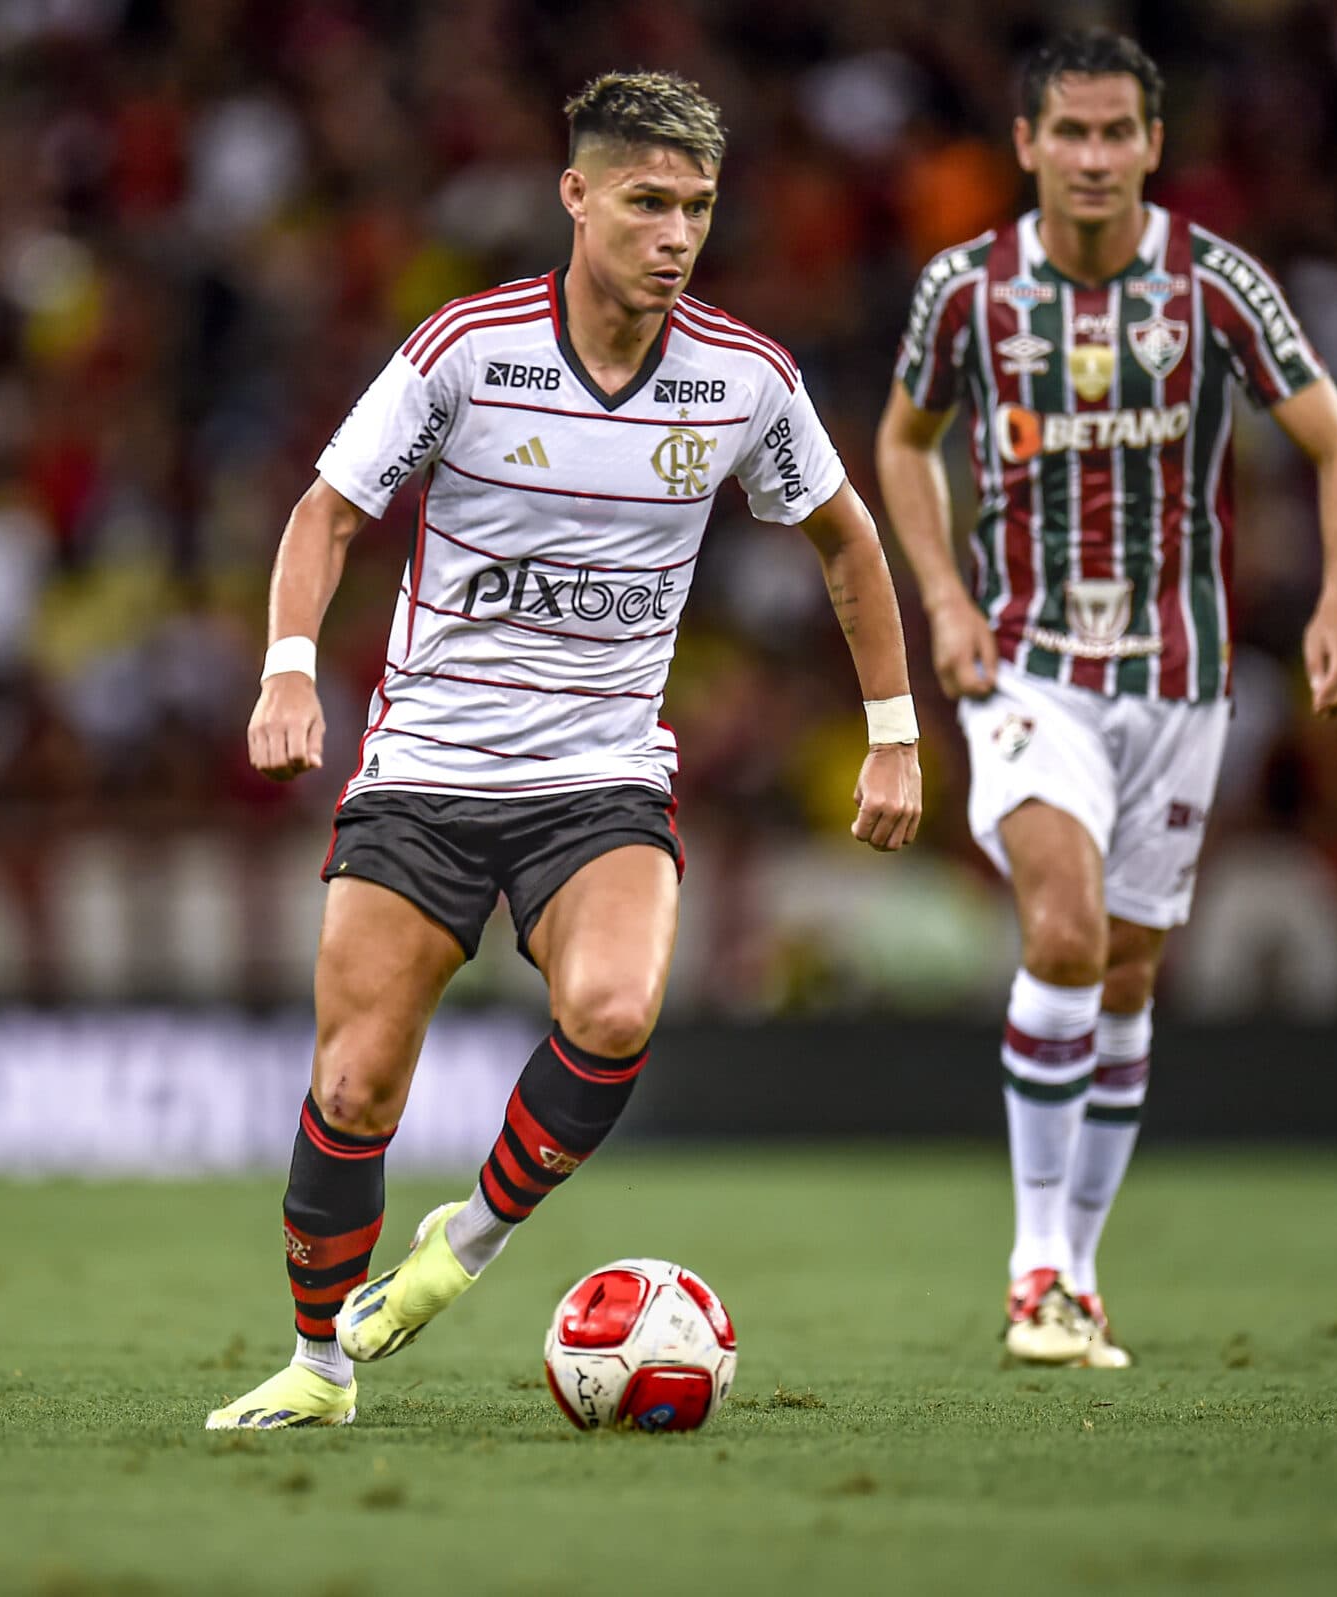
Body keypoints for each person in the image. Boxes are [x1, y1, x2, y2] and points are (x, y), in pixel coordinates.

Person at [208, 69, 923, 1429]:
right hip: (426, 764)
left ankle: (460, 1247)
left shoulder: (744, 380)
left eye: (697, 209)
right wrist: (287, 673)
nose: (674, 234)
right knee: (355, 1081)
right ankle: (319, 1364)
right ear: (576, 196)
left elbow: (846, 538)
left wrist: (892, 734)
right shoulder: (466, 352)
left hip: (598, 778)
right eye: (647, 202)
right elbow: (324, 512)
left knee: (610, 1011)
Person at [876, 29, 1337, 1367]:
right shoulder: (965, 292)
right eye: (1070, 133)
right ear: (1027, 143)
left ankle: (1080, 1275)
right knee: (1065, 929)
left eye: (1118, 134)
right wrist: (942, 598)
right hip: (1025, 664)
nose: (1094, 157)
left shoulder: (1215, 287)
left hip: (1180, 680)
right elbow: (905, 440)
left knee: (1133, 972)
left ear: (1153, 146)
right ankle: (1034, 1259)